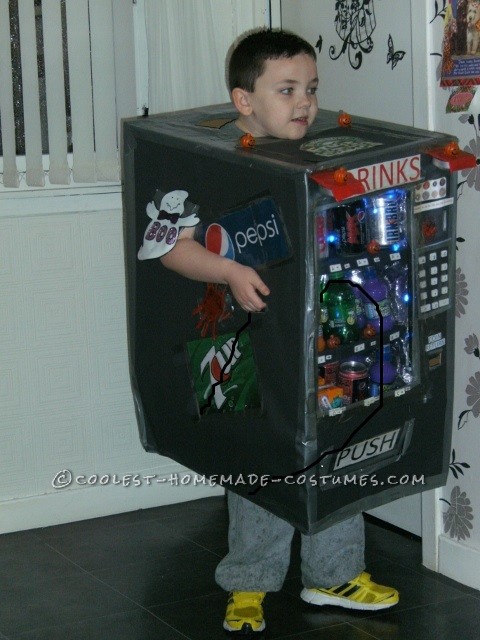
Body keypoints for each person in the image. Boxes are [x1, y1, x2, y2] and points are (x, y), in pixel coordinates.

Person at [161, 29, 399, 635]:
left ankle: (334, 574)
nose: (305, 103)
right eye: (287, 89)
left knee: (335, 445)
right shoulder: (210, 160)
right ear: (244, 100)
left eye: (311, 89)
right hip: (239, 341)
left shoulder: (325, 155)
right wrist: (229, 270)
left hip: (320, 340)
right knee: (258, 460)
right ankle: (249, 578)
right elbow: (169, 250)